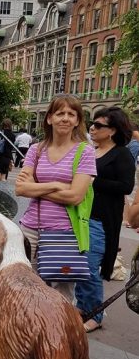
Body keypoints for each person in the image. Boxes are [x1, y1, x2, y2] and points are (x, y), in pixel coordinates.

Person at [15, 94, 96, 304]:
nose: (65, 118)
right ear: (49, 118)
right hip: (31, 229)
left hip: (64, 233)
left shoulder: (84, 152)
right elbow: (21, 188)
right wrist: (56, 185)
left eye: (72, 114)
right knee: (26, 288)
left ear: (78, 120)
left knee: (62, 296)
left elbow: (76, 196)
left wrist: (36, 187)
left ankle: (60, 336)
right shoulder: (36, 150)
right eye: (60, 113)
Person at [75, 107, 135, 332]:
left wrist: (93, 181)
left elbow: (126, 186)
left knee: (89, 267)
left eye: (98, 125)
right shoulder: (92, 150)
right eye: (92, 123)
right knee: (79, 266)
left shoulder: (122, 154)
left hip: (101, 220)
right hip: (82, 217)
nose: (92, 127)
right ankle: (83, 307)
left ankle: (96, 315)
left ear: (112, 130)